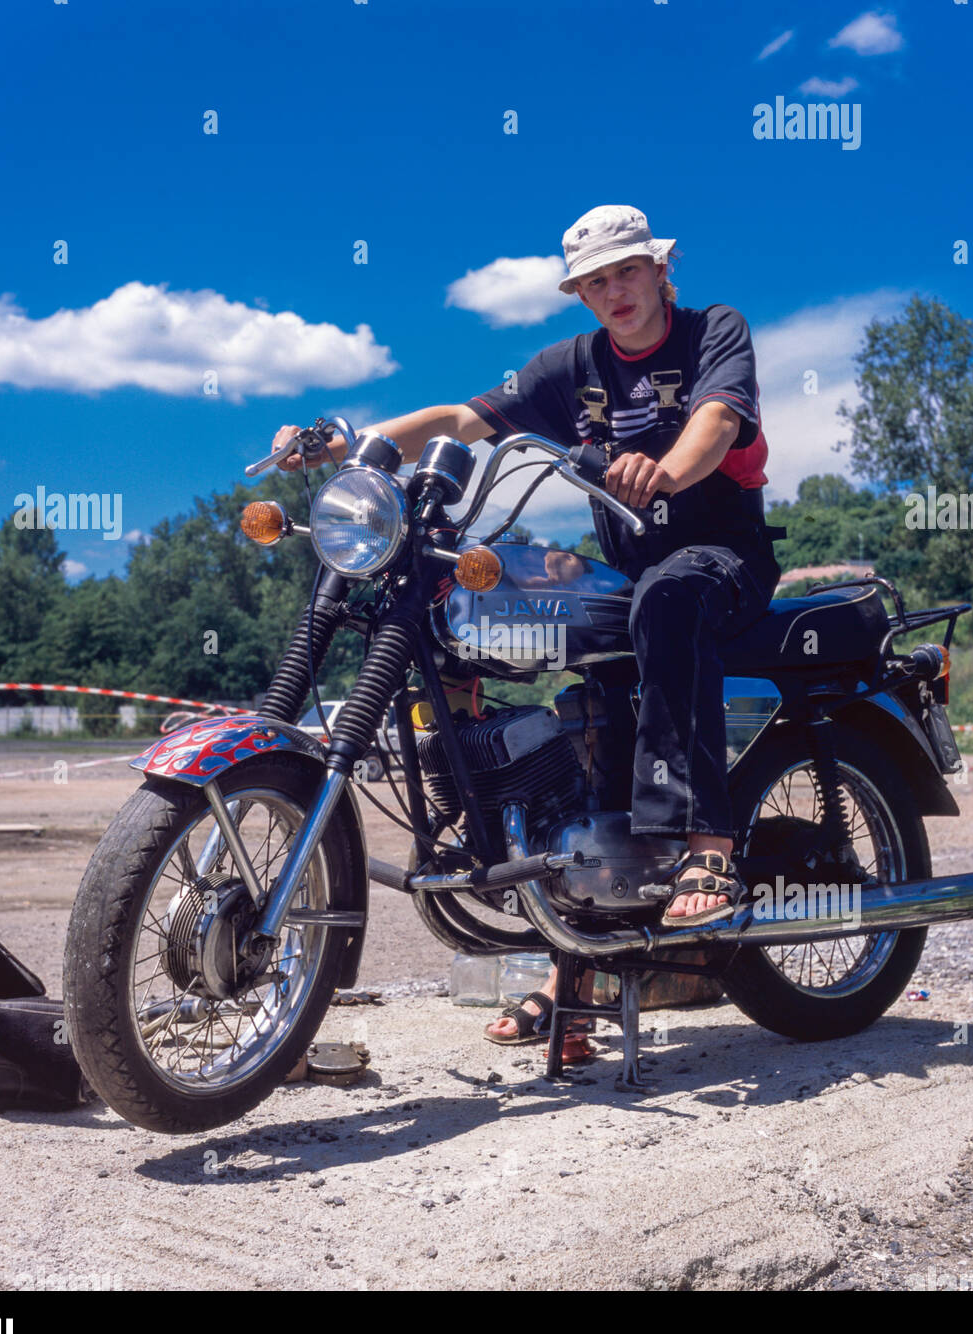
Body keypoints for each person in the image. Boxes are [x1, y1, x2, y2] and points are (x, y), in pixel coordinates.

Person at [271, 204, 782, 1059]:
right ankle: (570, 974)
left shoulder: (711, 331)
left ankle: (709, 847)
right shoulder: (572, 366)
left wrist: (664, 471)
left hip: (719, 560)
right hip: (630, 575)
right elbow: (466, 420)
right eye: (595, 280)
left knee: (668, 597)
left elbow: (717, 424)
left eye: (627, 271)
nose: (613, 291)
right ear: (579, 293)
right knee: (564, 675)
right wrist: (351, 446)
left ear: (660, 270)